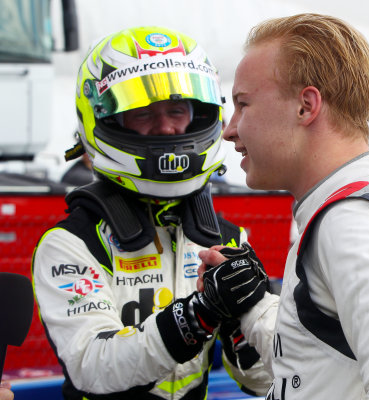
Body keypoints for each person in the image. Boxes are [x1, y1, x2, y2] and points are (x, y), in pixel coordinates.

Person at [198, 13, 369, 398]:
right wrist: (252, 304)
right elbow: (323, 366)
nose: (230, 129)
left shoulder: (354, 222)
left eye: (243, 104)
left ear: (306, 106)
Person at [32, 26, 271, 399]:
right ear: (106, 121)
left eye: (177, 110)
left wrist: (253, 316)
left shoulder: (224, 237)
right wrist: (200, 314)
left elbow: (260, 381)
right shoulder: (70, 243)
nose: (165, 127)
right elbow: (92, 368)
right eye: (143, 113)